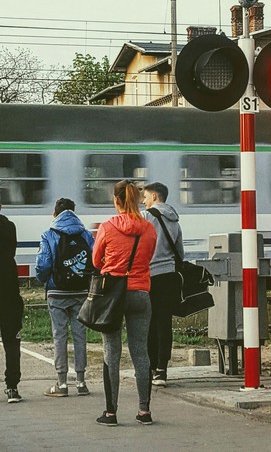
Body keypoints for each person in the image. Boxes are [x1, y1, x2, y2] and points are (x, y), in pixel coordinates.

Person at [92, 180, 156, 427]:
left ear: (116, 200)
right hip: (141, 293)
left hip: (113, 297)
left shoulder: (107, 227)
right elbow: (148, 257)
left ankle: (110, 413)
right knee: (140, 352)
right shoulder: (149, 229)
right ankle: (144, 411)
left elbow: (96, 261)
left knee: (112, 351)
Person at [35, 197, 94, 397]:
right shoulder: (85, 234)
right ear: (75, 212)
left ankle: (61, 384)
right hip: (80, 293)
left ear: (54, 214)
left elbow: (43, 266)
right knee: (80, 335)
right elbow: (95, 260)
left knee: (59, 335)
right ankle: (81, 382)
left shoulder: (48, 234)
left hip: (57, 293)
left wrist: (46, 282)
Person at [142, 182, 184, 387]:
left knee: (149, 322)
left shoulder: (146, 217)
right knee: (164, 323)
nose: (144, 201)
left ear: (155, 197)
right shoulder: (174, 220)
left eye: (146, 197)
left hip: (149, 276)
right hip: (168, 276)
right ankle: (162, 370)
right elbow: (180, 252)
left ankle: (149, 368)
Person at [0, 200, 24, 403]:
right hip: (8, 290)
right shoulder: (9, 227)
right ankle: (12, 387)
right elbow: (12, 253)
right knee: (11, 342)